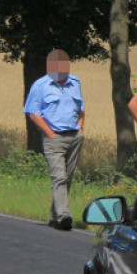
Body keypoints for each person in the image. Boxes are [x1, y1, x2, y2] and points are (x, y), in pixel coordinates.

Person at [23, 49, 85, 231]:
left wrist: (81, 128)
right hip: (54, 138)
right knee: (59, 177)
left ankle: (54, 216)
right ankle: (64, 216)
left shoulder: (75, 82)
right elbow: (33, 113)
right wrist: (50, 134)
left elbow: (81, 108)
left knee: (67, 178)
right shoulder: (40, 85)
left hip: (74, 137)